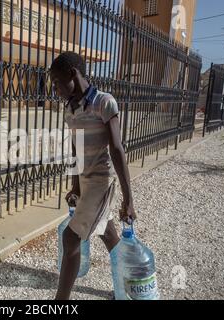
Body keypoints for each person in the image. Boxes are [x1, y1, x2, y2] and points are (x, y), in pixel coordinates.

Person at [50, 52, 137, 300]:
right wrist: (75, 184)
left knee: (70, 238)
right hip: (87, 182)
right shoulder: (70, 109)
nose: (54, 88)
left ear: (73, 74)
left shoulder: (105, 102)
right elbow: (75, 148)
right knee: (108, 234)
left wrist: (128, 199)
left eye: (57, 82)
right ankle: (129, 288)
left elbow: (117, 150)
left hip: (102, 180)